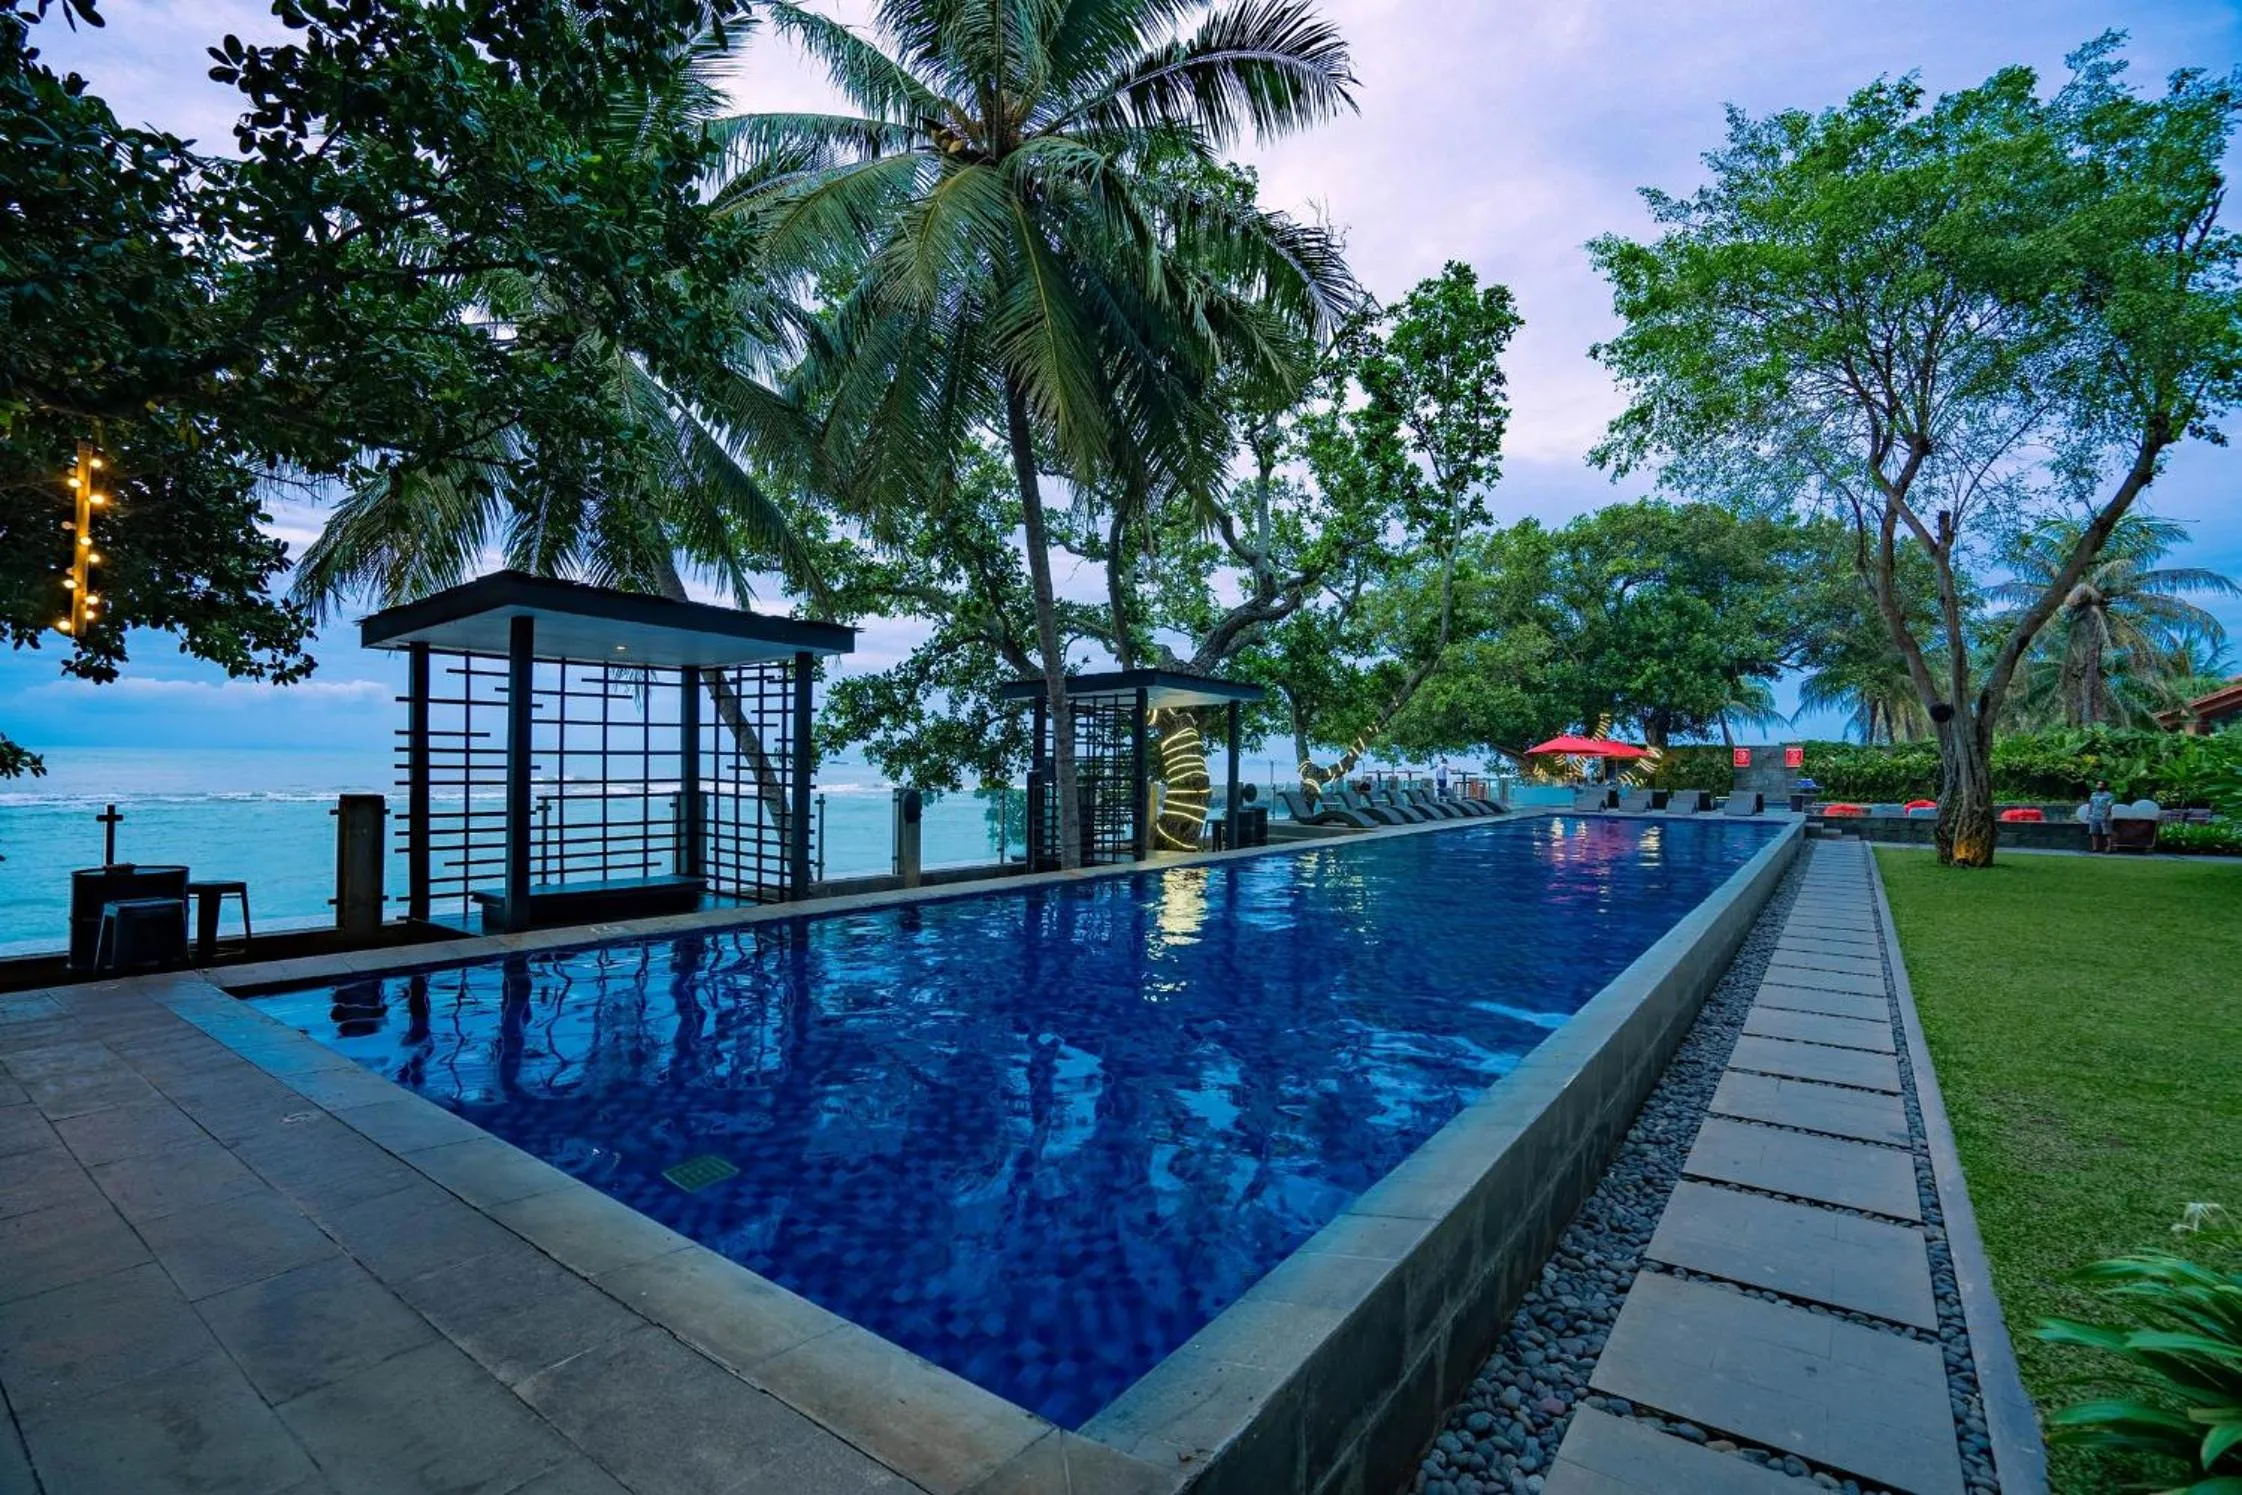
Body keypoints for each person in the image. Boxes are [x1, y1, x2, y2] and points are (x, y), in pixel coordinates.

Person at [2086, 780, 2115, 854]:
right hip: (2094, 816)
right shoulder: (2093, 794)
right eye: (2098, 784)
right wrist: (2089, 814)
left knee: (2107, 833)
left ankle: (2108, 848)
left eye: (2101, 784)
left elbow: (2109, 806)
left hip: (2104, 817)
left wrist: (2106, 815)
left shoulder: (2109, 795)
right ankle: (2095, 848)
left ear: (2104, 786)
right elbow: (2090, 804)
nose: (2099, 786)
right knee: (2094, 833)